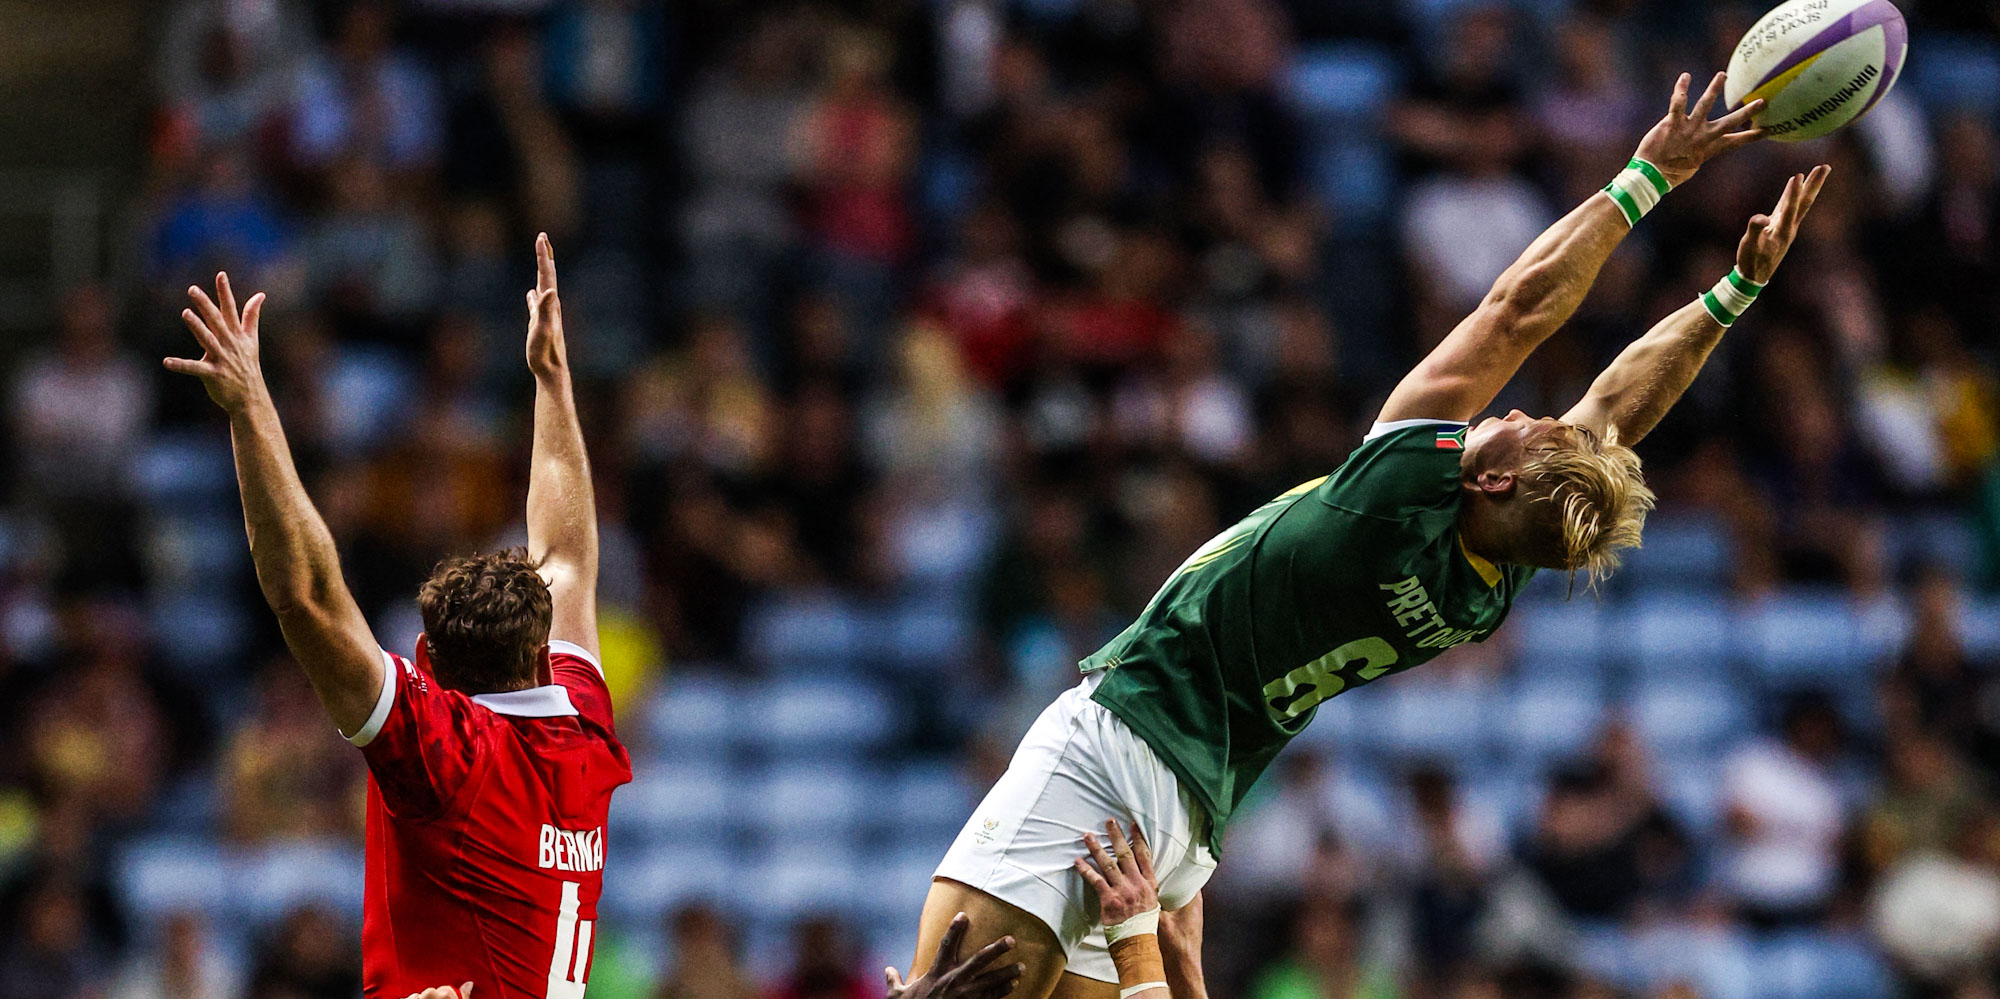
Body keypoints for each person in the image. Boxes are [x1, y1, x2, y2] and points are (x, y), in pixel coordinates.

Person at [914, 71, 1829, 999]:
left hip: (1123, 746)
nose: (1517, 410)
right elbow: (1616, 415)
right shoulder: (1487, 585)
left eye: (1527, 425)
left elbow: (1515, 312)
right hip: (1192, 819)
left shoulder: (1398, 496)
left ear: (1494, 476)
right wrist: (1733, 293)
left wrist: (1648, 176)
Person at [165, 234, 631, 997]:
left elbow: (308, 596)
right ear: (540, 654)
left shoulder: (449, 753)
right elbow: (569, 555)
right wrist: (551, 376)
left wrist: (251, 410)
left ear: (432, 664)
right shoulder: (585, 726)